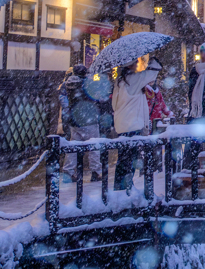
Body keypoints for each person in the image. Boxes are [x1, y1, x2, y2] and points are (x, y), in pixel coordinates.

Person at [112, 57, 160, 191]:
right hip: (131, 124)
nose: (138, 63)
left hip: (122, 123)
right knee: (130, 158)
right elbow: (152, 72)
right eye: (135, 62)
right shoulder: (133, 79)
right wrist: (154, 60)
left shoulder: (120, 81)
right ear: (130, 65)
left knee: (123, 158)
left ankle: (120, 186)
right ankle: (125, 187)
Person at [60, 65, 105, 182]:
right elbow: (98, 98)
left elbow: (63, 98)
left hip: (75, 120)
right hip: (90, 119)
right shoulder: (88, 84)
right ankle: (96, 171)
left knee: (73, 147)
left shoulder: (67, 84)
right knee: (94, 146)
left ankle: (68, 172)